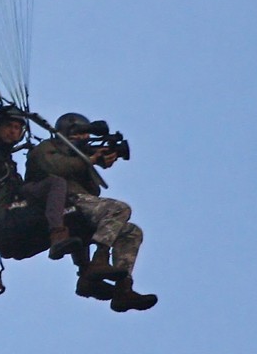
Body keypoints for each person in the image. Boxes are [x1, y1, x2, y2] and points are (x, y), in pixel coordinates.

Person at [26, 112, 158, 312]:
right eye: (80, 135)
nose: (85, 139)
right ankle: (99, 260)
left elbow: (93, 190)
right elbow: (54, 167)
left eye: (87, 135)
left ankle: (123, 289)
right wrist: (88, 161)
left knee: (132, 232)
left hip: (82, 201)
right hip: (64, 200)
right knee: (120, 209)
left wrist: (98, 159)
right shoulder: (47, 148)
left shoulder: (79, 153)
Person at [0, 102, 80, 262]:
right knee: (56, 184)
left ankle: (89, 274)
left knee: (76, 213)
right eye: (8, 126)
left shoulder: (6, 162)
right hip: (5, 225)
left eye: (17, 128)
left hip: (19, 239)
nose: (13, 131)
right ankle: (57, 235)